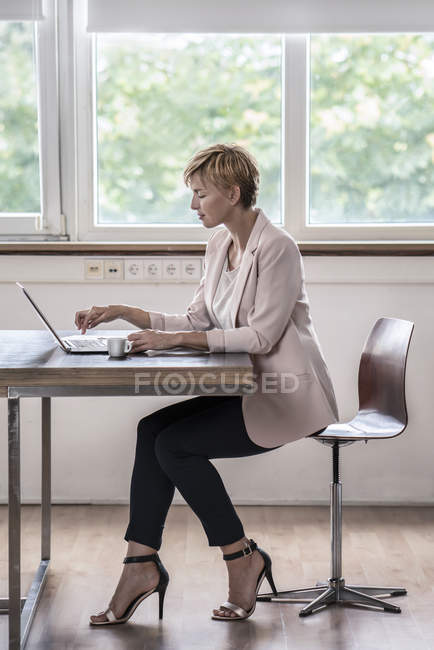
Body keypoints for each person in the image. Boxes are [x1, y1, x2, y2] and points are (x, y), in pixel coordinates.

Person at [75, 143, 339, 625]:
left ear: (232, 193)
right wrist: (122, 311)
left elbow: (260, 336)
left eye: (200, 194)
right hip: (243, 387)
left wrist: (172, 338)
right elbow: (199, 317)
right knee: (152, 432)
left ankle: (242, 559)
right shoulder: (220, 243)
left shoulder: (278, 248)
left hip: (281, 396)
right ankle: (140, 564)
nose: (193, 205)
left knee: (175, 446)